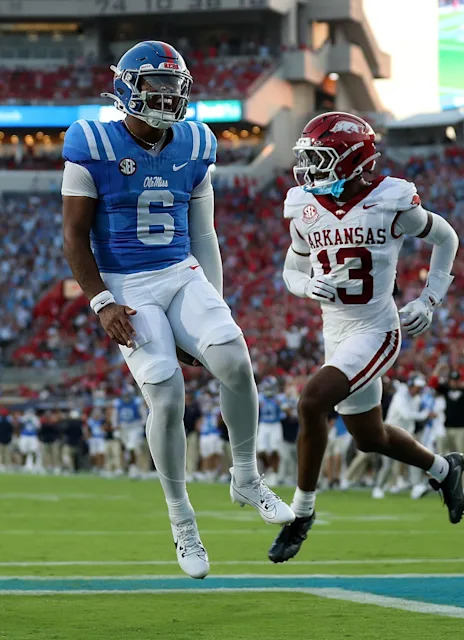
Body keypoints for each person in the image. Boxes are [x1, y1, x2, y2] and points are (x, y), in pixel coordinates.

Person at [61, 40, 291, 578]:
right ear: (127, 88)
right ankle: (182, 519)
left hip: (180, 271)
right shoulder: (91, 141)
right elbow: (73, 237)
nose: (166, 97)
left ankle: (246, 475)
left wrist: (213, 309)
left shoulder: (196, 142)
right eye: (155, 85)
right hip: (126, 282)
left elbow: (204, 232)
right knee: (166, 392)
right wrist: (102, 303)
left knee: (234, 357)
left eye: (173, 85)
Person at [269, 112, 464, 563]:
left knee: (311, 402)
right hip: (334, 330)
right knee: (369, 437)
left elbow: (446, 237)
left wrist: (429, 298)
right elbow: (291, 269)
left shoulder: (390, 199)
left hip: (376, 327)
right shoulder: (305, 206)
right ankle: (443, 468)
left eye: (320, 158)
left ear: (353, 160)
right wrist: (304, 286)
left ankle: (301, 514)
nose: (310, 169)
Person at [434, 368, 464, 490]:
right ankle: (454, 483)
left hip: (463, 429)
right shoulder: (447, 391)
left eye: (456, 380)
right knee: (449, 458)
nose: (454, 382)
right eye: (452, 380)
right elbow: (433, 383)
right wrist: (438, 367)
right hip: (449, 428)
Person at [113, 390, 146, 477]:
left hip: (134, 427)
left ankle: (133, 468)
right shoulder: (119, 403)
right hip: (124, 428)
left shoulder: (136, 402)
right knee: (125, 448)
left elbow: (143, 415)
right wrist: (115, 426)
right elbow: (115, 415)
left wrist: (141, 425)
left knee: (131, 447)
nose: (126, 396)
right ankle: (126, 467)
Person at [258, 379, 285, 477]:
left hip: (275, 425)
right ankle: (266, 470)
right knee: (261, 450)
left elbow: (285, 412)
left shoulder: (279, 398)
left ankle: (274, 473)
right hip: (264, 424)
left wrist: (281, 406)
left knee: (275, 450)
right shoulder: (259, 397)